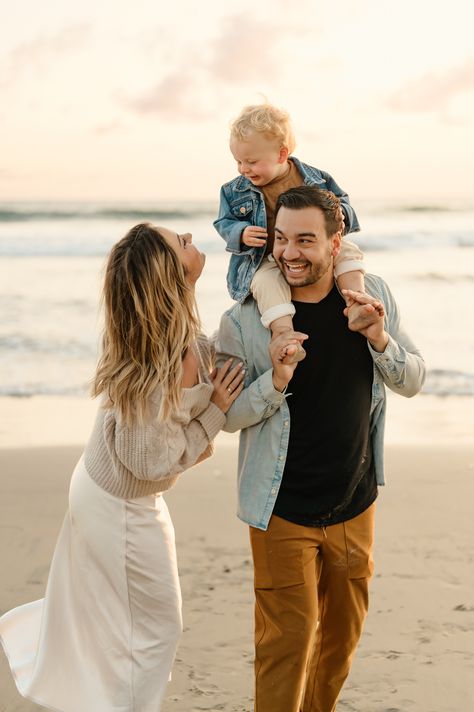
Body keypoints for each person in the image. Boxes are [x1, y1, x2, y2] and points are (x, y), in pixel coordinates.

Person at [0, 223, 245, 712]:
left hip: (111, 489)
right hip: (118, 502)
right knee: (156, 629)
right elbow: (149, 461)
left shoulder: (171, 328)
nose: (190, 234)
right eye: (181, 241)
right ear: (169, 275)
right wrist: (216, 411)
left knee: (120, 621)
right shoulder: (161, 356)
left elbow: (200, 359)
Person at [215, 186, 426, 712]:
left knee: (338, 643)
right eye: (282, 239)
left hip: (355, 503)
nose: (289, 253)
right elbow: (228, 416)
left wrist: (379, 338)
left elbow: (414, 378)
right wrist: (277, 378)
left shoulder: (369, 295)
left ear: (337, 243)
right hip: (280, 510)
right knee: (285, 646)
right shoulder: (242, 321)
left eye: (306, 240)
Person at [214, 102, 370, 361]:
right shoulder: (234, 191)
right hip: (265, 257)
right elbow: (223, 222)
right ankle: (284, 333)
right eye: (238, 161)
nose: (243, 169)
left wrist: (342, 212)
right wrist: (240, 232)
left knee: (349, 253)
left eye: (251, 161)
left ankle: (357, 302)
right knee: (266, 282)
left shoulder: (315, 179)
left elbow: (343, 202)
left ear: (281, 154)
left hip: (310, 251)